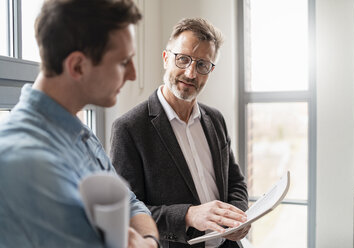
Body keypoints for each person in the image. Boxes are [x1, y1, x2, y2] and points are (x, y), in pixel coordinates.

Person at [0, 0, 160, 247]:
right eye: (122, 62)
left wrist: (148, 240)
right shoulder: (24, 163)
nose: (133, 74)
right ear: (77, 66)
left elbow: (129, 203)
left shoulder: (79, 132)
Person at [110, 18, 250, 248]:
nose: (191, 73)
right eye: (183, 59)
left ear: (210, 70)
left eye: (203, 64)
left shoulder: (215, 119)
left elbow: (235, 182)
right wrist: (188, 215)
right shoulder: (129, 128)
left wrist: (239, 216)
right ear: (166, 58)